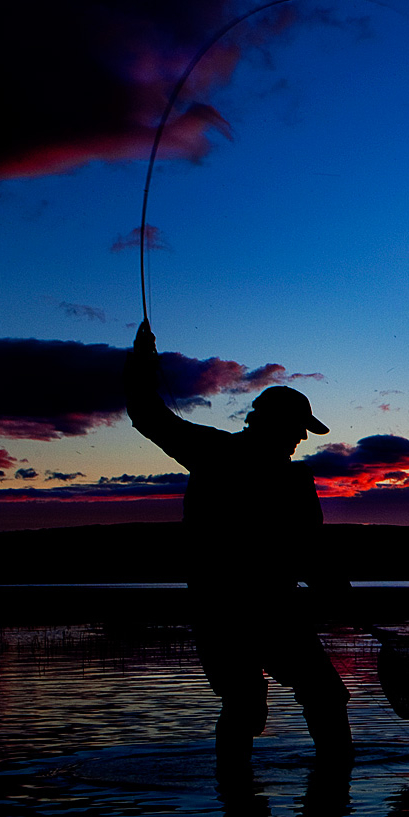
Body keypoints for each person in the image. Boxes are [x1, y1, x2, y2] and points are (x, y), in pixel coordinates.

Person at [125, 321, 352, 762]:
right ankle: (322, 799)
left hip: (248, 608)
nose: (302, 437)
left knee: (303, 697)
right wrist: (142, 362)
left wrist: (330, 584)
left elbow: (311, 550)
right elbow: (147, 414)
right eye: (298, 427)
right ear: (271, 422)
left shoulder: (290, 478)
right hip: (227, 609)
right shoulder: (218, 452)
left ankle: (293, 802)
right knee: (263, 703)